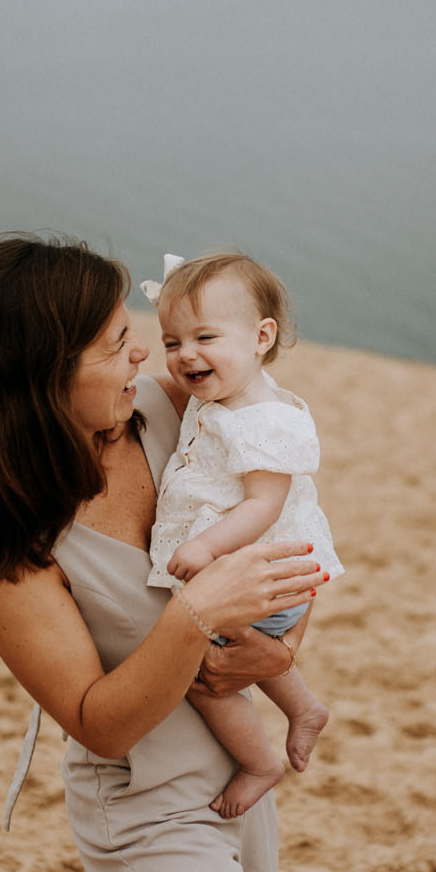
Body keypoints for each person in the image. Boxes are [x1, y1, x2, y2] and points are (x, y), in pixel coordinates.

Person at [0, 233, 337, 872]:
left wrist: (280, 649)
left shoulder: (165, 410)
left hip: (237, 784)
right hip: (149, 817)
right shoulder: (1, 542)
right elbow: (95, 718)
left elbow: (287, 511)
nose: (145, 350)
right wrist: (194, 617)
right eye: (115, 342)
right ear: (43, 372)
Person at [140, 252, 341, 819]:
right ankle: (304, 708)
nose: (186, 355)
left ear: (261, 336)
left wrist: (204, 548)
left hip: (260, 573)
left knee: (207, 678)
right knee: (238, 654)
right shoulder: (231, 397)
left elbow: (263, 504)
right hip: (261, 575)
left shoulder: (266, 421)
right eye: (172, 341)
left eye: (205, 336)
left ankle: (259, 763)